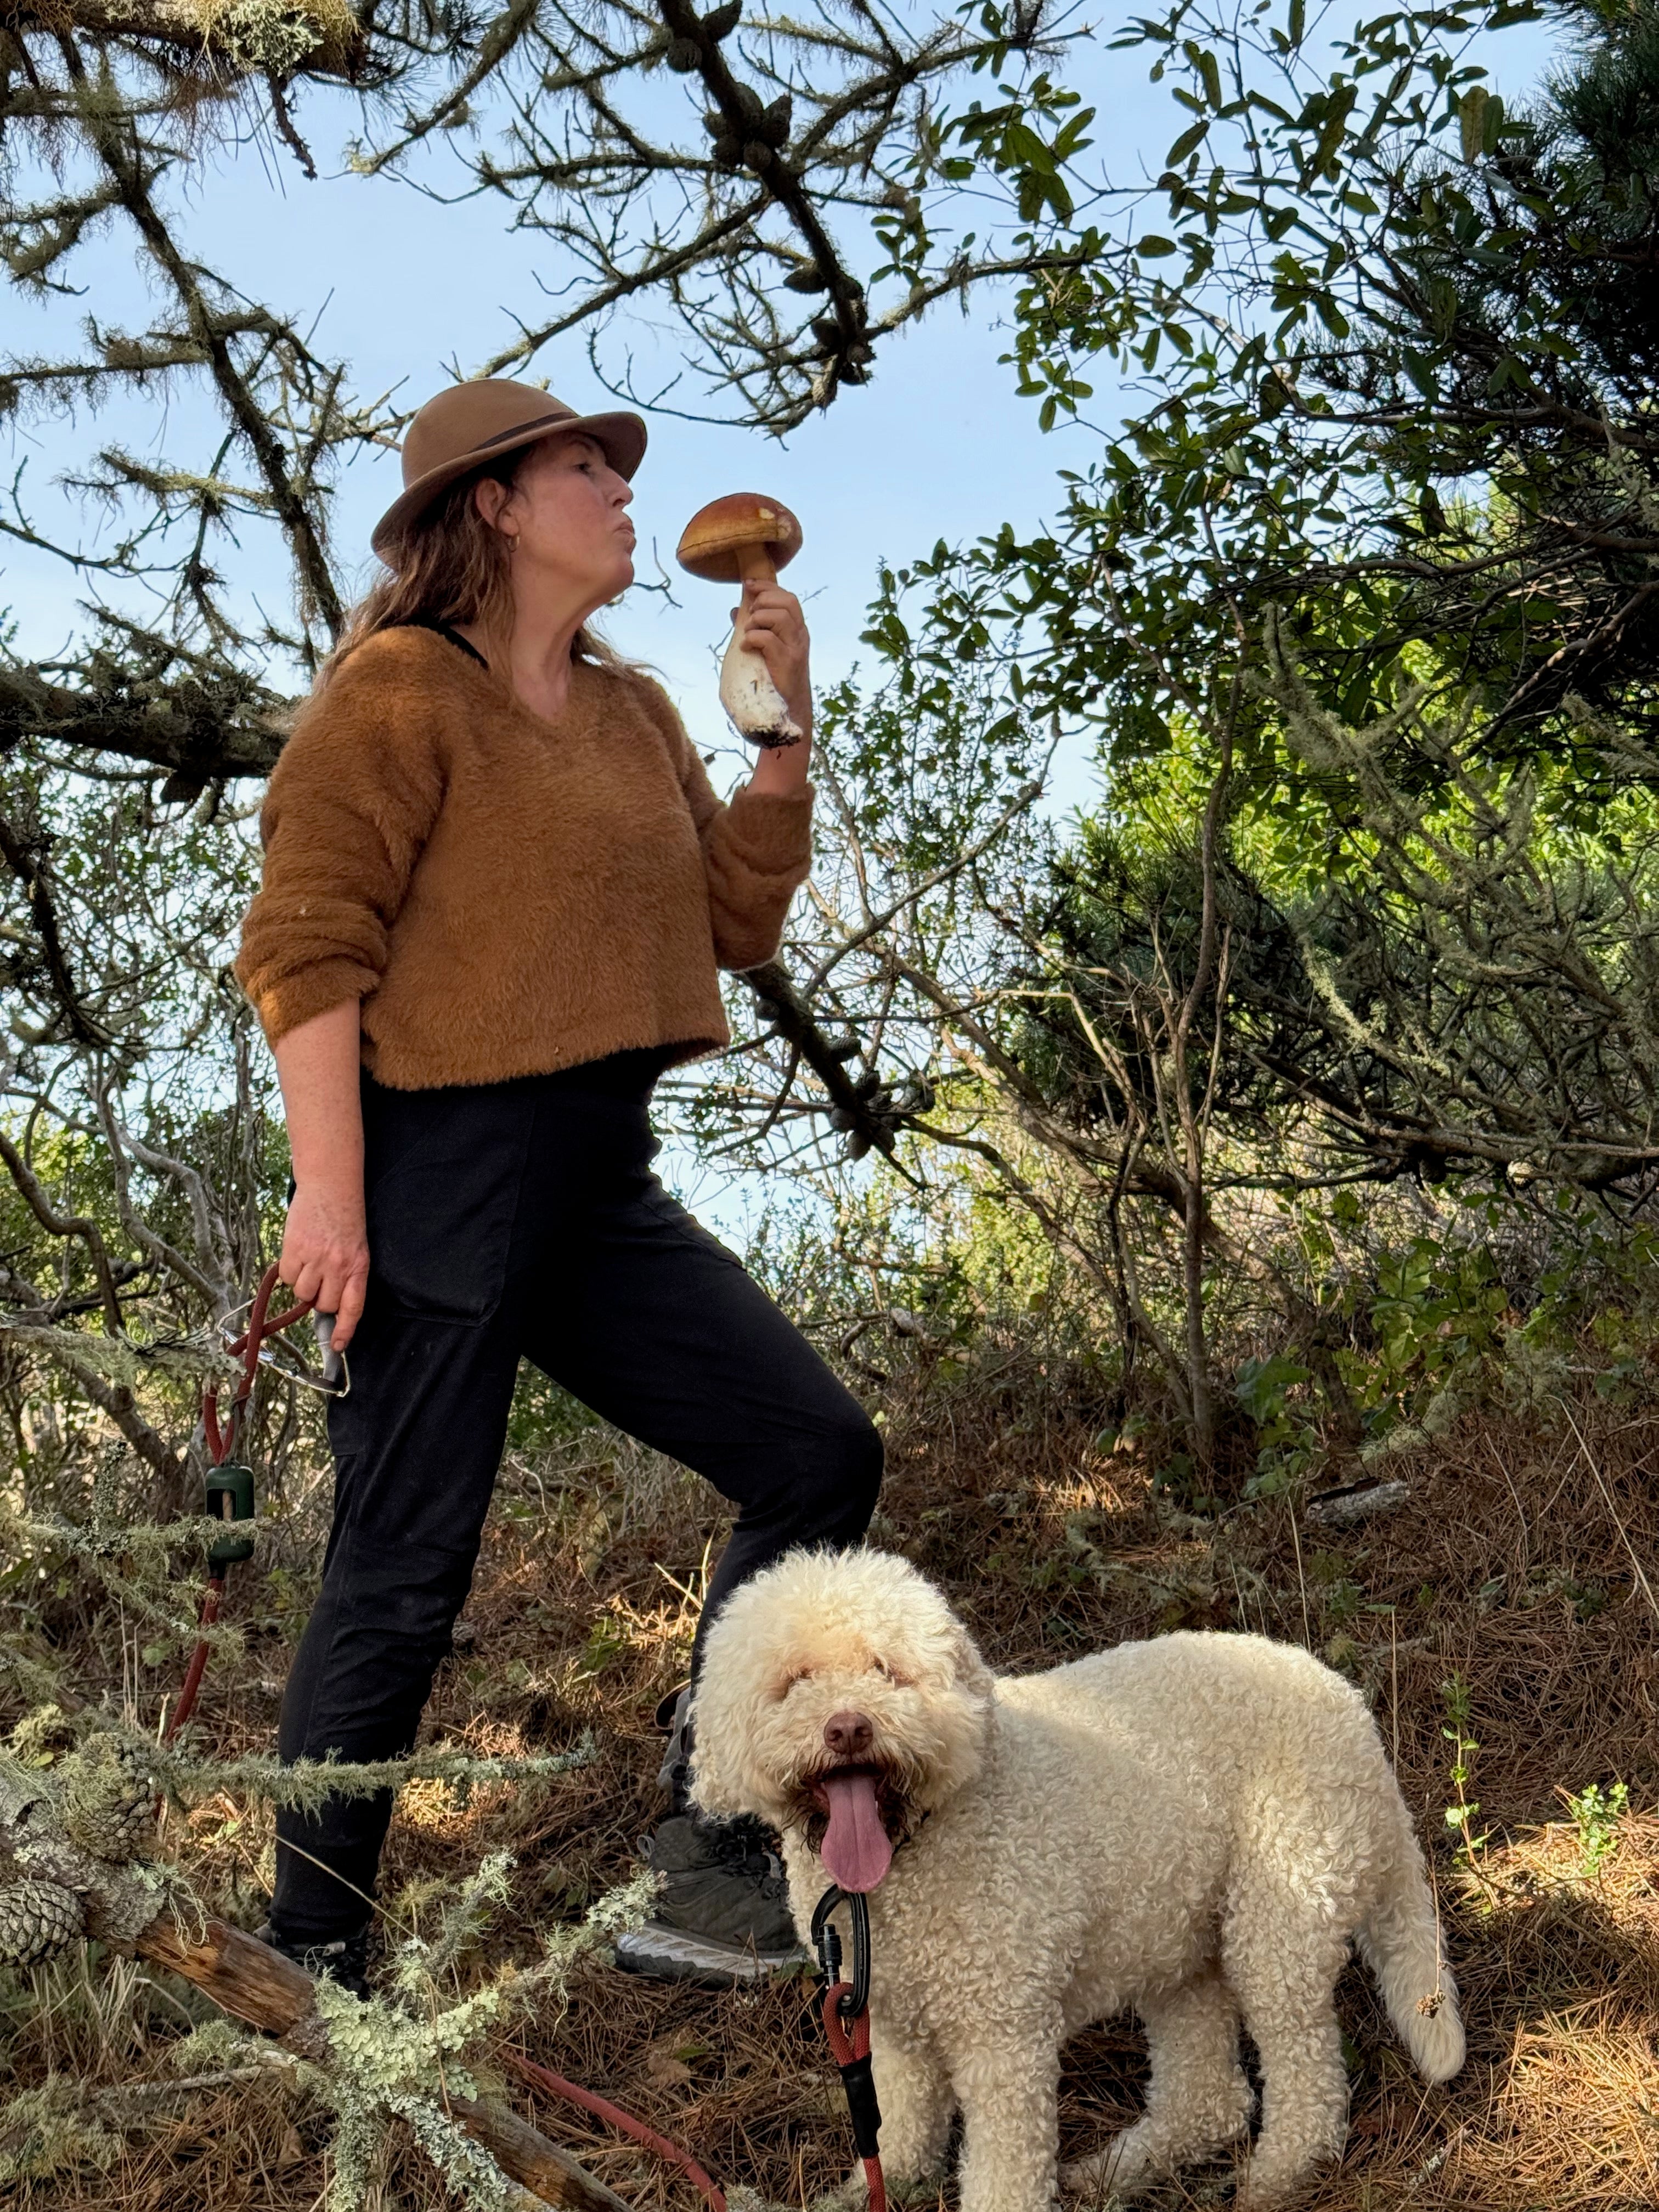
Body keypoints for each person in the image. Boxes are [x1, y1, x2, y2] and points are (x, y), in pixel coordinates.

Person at [235, 376, 884, 1990]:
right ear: (496, 509)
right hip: (440, 1172)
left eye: (614, 465)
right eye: (583, 467)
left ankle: (712, 1842)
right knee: (403, 1566)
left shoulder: (637, 712)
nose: (618, 488)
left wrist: (785, 735)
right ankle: (310, 1955)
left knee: (814, 1451)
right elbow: (308, 947)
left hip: (598, 1179)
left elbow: (734, 919)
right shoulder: (397, 692)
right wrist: (331, 1199)